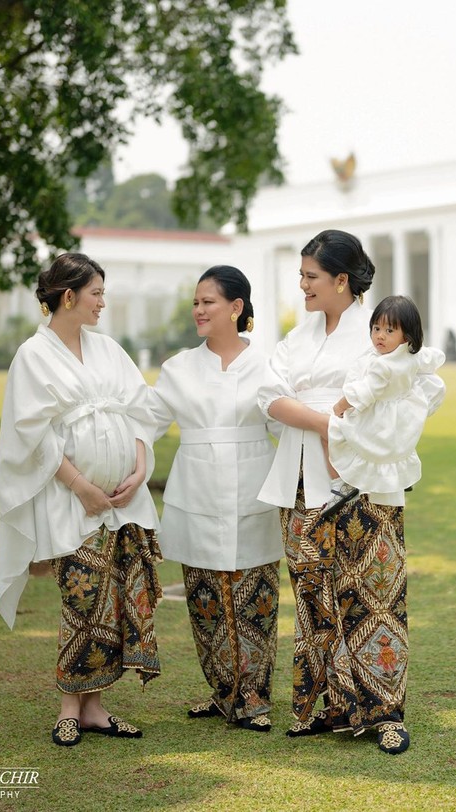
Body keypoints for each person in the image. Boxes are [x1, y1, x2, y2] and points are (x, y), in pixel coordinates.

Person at [258, 230, 445, 754]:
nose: (301, 286)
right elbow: (269, 395)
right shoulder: (298, 336)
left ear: (342, 279)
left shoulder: (380, 332)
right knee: (315, 595)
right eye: (300, 276)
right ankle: (335, 707)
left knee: (375, 593)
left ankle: (385, 712)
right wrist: (326, 423)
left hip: (364, 482)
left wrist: (367, 437)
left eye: (310, 276)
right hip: (299, 479)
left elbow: (421, 391)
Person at [0, 253, 162, 747]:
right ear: (68, 297)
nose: (102, 304)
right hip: (74, 500)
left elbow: (141, 410)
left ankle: (96, 707)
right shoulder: (33, 354)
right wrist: (81, 486)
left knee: (117, 598)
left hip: (122, 502)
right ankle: (70, 706)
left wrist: (137, 470)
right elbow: (32, 432)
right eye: (96, 294)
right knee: (82, 598)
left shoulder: (108, 348)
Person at [149, 265, 283, 732]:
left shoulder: (268, 365)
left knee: (255, 597)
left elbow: (286, 428)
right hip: (197, 493)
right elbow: (143, 425)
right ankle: (223, 691)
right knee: (205, 599)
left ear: (236, 307)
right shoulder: (178, 368)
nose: (199, 310)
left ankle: (253, 696)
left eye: (208, 301)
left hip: (254, 491)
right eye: (195, 302)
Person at [321, 295, 446, 519]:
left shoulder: (384, 365)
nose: (380, 335)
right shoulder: (412, 354)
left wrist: (341, 406)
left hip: (380, 417)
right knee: (394, 452)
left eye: (389, 331)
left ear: (406, 335)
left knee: (338, 432)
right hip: (402, 417)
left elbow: (366, 391)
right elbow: (431, 358)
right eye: (376, 328)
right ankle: (397, 480)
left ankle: (342, 484)